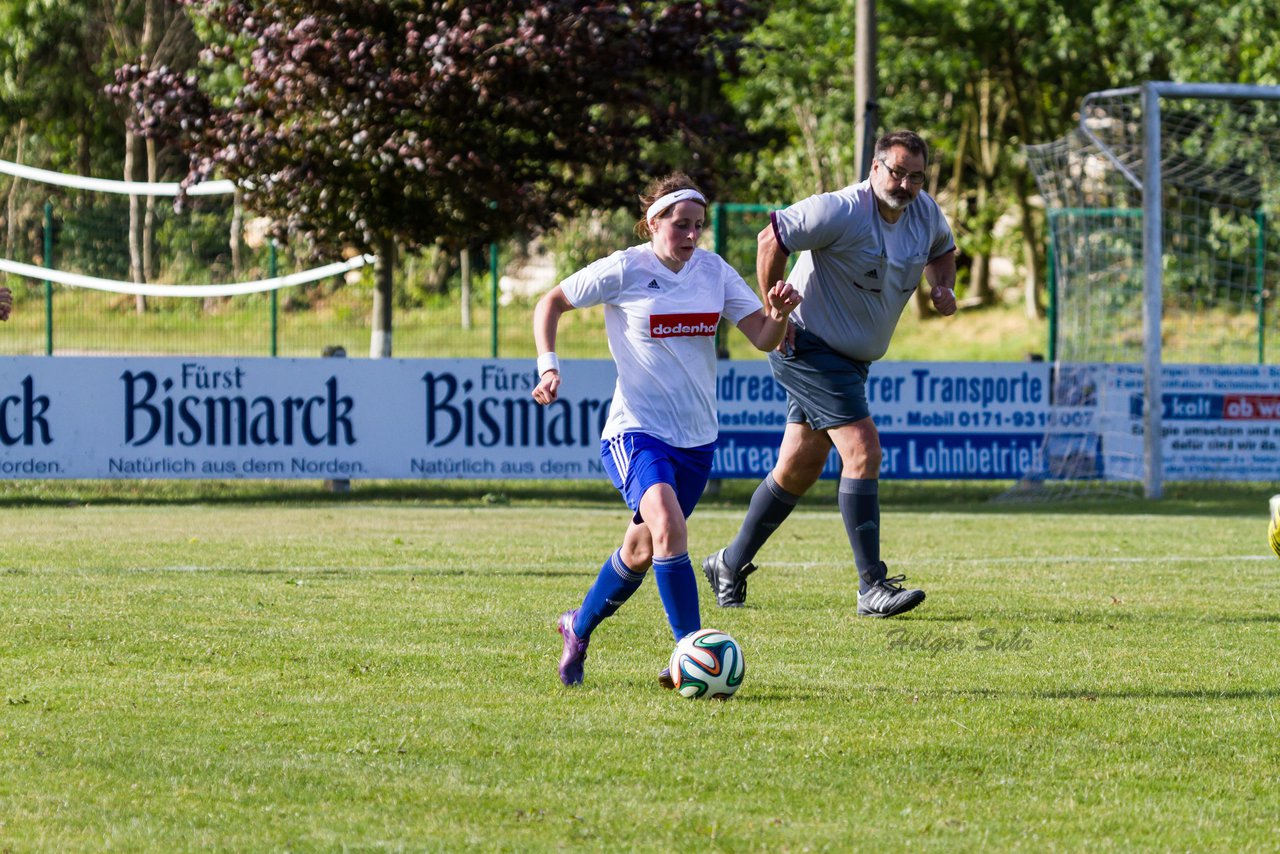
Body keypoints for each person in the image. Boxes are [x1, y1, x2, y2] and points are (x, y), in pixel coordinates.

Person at [533, 172, 802, 687]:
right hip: (636, 430)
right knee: (669, 527)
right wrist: (549, 366)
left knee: (643, 549)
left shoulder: (714, 272)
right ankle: (693, 653)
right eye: (681, 224)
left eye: (698, 226)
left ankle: (578, 626)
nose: (692, 235)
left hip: (697, 440)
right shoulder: (625, 268)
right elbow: (550, 303)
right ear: (653, 222)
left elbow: (764, 338)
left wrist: (779, 312)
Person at [702, 130, 958, 617]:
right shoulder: (839, 209)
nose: (904, 184)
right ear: (875, 167)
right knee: (863, 451)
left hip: (852, 361)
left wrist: (941, 287)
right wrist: (773, 312)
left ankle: (728, 563)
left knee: (798, 468)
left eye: (915, 177)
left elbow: (943, 250)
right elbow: (770, 236)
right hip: (807, 346)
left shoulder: (925, 214)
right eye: (897, 172)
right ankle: (872, 586)